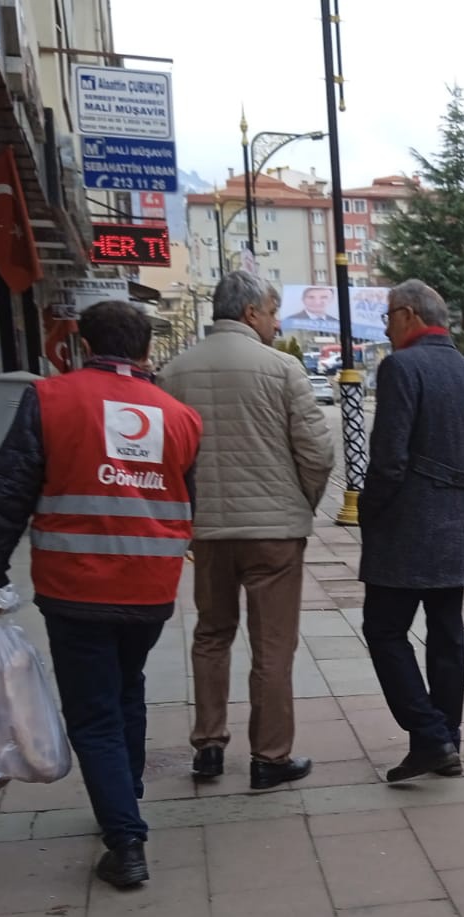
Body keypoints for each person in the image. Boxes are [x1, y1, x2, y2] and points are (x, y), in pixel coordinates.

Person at [0, 301, 202, 889]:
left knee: (94, 715)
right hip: (151, 588)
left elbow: (8, 491)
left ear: (81, 343)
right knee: (127, 689)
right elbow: (187, 502)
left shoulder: (49, 400)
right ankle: (126, 795)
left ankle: (126, 841)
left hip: (76, 588)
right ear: (147, 351)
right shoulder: (180, 417)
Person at [157, 270, 334, 790]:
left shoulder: (174, 372)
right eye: (274, 313)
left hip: (208, 531)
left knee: (211, 634)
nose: (278, 324)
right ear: (252, 312)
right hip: (274, 534)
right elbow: (318, 454)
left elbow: (167, 458)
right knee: (273, 644)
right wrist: (303, 503)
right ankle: (269, 756)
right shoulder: (282, 369)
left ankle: (209, 745)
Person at [359, 279, 464, 782]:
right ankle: (445, 741)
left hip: (406, 526)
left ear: (409, 314)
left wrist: (369, 511)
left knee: (384, 630)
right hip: (457, 525)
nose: (386, 328)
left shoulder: (402, 367)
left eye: (388, 318)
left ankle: (431, 734)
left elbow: (388, 459)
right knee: (446, 636)